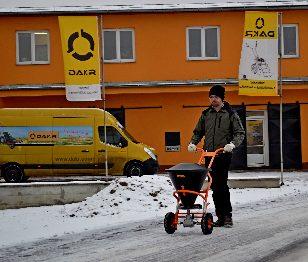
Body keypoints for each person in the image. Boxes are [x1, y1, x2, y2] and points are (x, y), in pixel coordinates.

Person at [187, 85, 245, 228]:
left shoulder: (230, 114)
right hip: (208, 155)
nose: (213, 100)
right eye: (211, 97)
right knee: (214, 186)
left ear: (222, 98)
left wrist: (232, 144)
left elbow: (240, 133)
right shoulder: (206, 114)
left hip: (223, 154)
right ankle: (219, 217)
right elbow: (198, 132)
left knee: (222, 185)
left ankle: (227, 217)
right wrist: (193, 143)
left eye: (216, 97)